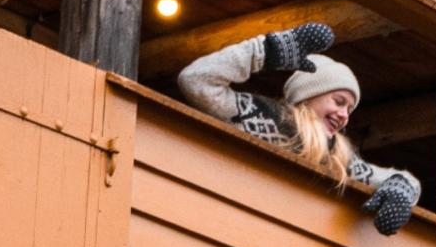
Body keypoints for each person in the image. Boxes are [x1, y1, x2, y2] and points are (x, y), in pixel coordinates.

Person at [175, 19, 422, 234]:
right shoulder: (257, 114)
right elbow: (196, 80)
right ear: (308, 95)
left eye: (349, 109)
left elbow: (401, 180)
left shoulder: (339, 156)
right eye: (338, 102)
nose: (344, 115)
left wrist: (402, 189)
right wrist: (266, 50)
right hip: (231, 221)